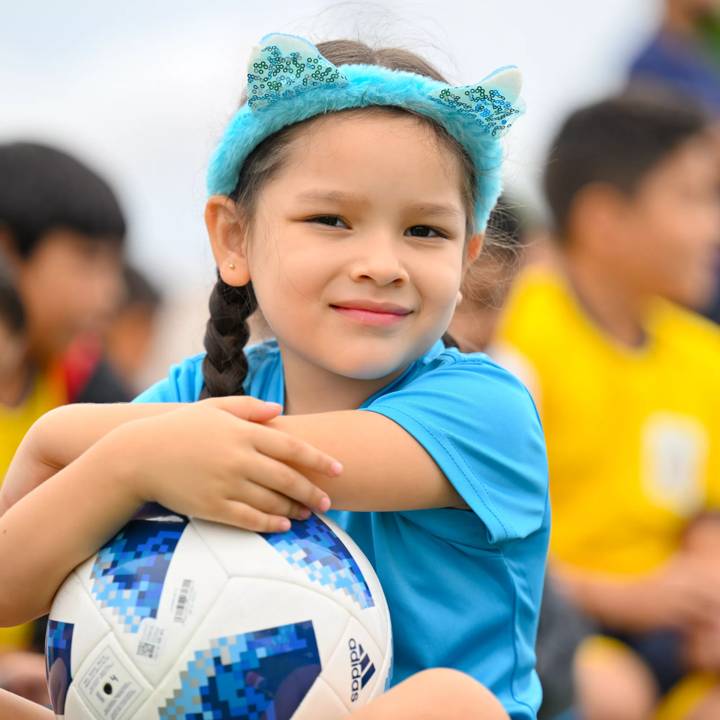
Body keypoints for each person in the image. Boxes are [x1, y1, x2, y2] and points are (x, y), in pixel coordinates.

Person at [0, 34, 549, 720]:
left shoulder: (486, 411)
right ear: (234, 238)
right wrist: (98, 452)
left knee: (455, 703)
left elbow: (248, 457)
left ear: (468, 257)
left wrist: (84, 444)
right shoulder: (196, 396)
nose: (382, 262)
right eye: (332, 220)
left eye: (425, 232)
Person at [497, 91, 720, 719]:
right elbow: (490, 540)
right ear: (604, 219)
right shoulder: (521, 335)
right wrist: (626, 596)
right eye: (692, 198)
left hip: (670, 625)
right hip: (550, 618)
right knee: (616, 695)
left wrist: (707, 597)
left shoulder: (703, 354)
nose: (714, 227)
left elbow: (706, 511)